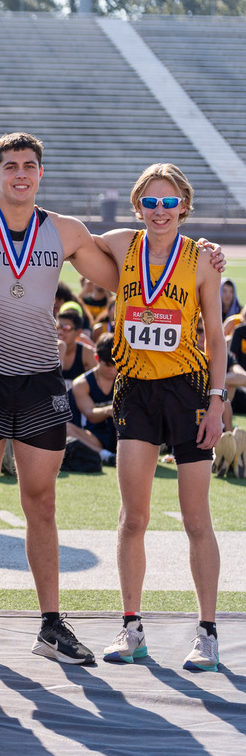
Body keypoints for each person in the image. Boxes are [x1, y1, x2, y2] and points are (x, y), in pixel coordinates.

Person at [0, 132, 125, 665]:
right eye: (10, 165)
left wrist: (199, 255)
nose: (20, 173)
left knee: (42, 503)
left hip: (39, 380)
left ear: (40, 173)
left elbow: (129, 271)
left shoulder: (64, 230)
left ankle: (51, 626)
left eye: (29, 165)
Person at [94, 164, 226, 671]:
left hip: (188, 389)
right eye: (151, 202)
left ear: (185, 207)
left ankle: (207, 632)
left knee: (196, 517)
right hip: (135, 390)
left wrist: (217, 401)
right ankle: (131, 629)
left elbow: (215, 339)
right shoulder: (121, 244)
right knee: (133, 517)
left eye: (170, 203)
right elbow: (64, 232)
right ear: (137, 207)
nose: (161, 211)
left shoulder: (202, 260)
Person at [69, 332, 117, 465]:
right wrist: (109, 411)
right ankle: (105, 456)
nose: (113, 370)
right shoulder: (82, 383)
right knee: (64, 428)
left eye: (116, 364)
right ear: (97, 358)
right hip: (95, 437)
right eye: (108, 365)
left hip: (123, 435)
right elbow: (90, 414)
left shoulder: (127, 379)